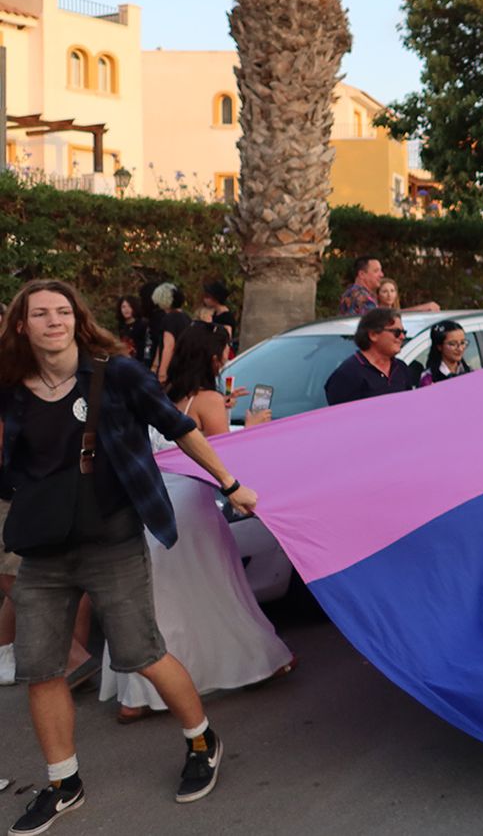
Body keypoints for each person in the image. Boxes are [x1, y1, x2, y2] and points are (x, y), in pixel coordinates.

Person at [1, 280, 258, 827]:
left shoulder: (115, 374)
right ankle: (63, 781)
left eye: (63, 311)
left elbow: (179, 428)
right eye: (40, 313)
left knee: (142, 653)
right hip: (44, 549)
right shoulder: (11, 388)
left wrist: (230, 483)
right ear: (21, 325)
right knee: (41, 669)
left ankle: (200, 741)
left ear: (77, 318)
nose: (53, 321)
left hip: (113, 538)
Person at [105, 323, 289, 724]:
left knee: (158, 596)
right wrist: (251, 428)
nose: (226, 357)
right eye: (223, 351)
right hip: (191, 502)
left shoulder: (165, 393)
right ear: (213, 357)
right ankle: (254, 661)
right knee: (214, 586)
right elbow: (221, 455)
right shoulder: (206, 399)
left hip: (153, 503)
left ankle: (137, 693)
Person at [323, 308, 417, 406]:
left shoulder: (401, 368)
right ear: (373, 335)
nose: (402, 337)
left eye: (404, 332)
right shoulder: (348, 373)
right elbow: (341, 416)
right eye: (396, 332)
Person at [149, 283, 191, 387]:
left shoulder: (169, 319)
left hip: (172, 368)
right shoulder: (186, 318)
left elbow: (168, 346)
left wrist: (162, 371)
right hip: (184, 366)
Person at [418, 321, 473, 386]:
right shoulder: (428, 379)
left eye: (462, 343)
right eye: (453, 344)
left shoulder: (470, 372)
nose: (460, 349)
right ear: (439, 346)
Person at [199, 282, 237, 353]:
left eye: (207, 297)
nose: (205, 299)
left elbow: (226, 339)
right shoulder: (215, 314)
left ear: (216, 299)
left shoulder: (227, 318)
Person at [376, 277, 440, 315]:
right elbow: (390, 315)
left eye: (392, 291)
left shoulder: (396, 313)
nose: (389, 295)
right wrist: (422, 308)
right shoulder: (374, 313)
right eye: (385, 291)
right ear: (377, 294)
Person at [114, 295, 145, 361]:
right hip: (125, 359)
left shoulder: (142, 324)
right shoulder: (121, 325)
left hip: (139, 361)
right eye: (123, 307)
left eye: (129, 306)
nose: (126, 309)